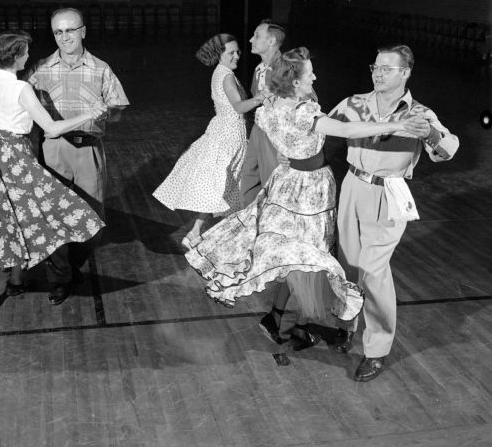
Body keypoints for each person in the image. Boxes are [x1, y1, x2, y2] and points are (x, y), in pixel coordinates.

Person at [185, 48, 423, 346]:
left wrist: (286, 154)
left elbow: (278, 140)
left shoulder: (267, 110)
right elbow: (346, 129)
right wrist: (398, 125)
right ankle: (293, 320)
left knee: (296, 255)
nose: (315, 75)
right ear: (295, 82)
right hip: (312, 190)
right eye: (309, 72)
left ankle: (281, 318)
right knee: (310, 256)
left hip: (286, 183)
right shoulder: (304, 112)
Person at [0, 7, 129, 305]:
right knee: (52, 221)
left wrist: (106, 114)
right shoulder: (39, 69)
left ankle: (70, 267)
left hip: (89, 150)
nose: (65, 37)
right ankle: (60, 278)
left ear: (83, 31)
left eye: (70, 30)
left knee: (93, 222)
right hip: (52, 150)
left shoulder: (101, 69)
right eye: (58, 32)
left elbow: (118, 111)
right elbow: (6, 97)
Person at [328, 44, 459, 382]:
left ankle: (377, 349)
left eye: (387, 68)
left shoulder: (419, 112)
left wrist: (428, 133)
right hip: (352, 186)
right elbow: (323, 129)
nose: (378, 73)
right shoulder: (354, 103)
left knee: (373, 269)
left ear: (406, 73)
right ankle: (347, 325)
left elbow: (446, 148)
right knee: (348, 264)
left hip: (389, 193)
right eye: (376, 66)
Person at [0, 31, 107, 307]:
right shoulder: (22, 88)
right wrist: (89, 114)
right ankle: (24, 279)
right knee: (40, 213)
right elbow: (52, 128)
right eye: (24, 52)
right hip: (13, 156)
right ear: (15, 56)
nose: (28, 56)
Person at [153, 33, 265, 248]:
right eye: (231, 53)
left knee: (225, 187)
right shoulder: (226, 76)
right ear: (219, 54)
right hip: (229, 136)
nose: (237, 56)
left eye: (238, 52)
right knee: (229, 186)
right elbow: (239, 107)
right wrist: (262, 97)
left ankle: (198, 233)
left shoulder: (221, 73)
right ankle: (218, 234)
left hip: (226, 132)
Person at [239, 19, 285, 207]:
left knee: (272, 185)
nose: (251, 39)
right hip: (259, 129)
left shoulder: (286, 69)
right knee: (248, 181)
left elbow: (306, 105)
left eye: (257, 36)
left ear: (272, 41)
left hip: (277, 133)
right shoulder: (259, 70)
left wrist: (284, 144)